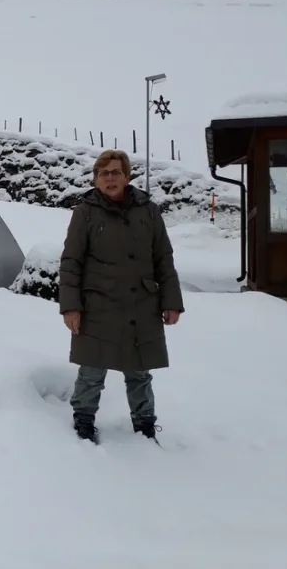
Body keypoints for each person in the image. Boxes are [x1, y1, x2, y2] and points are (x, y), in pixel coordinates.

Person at [58, 149, 184, 443]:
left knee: (139, 372)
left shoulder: (149, 211)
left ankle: (145, 425)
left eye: (116, 172)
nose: (110, 178)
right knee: (92, 370)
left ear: (127, 176)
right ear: (96, 179)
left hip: (141, 303)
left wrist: (171, 301)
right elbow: (71, 262)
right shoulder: (85, 212)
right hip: (97, 305)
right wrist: (70, 307)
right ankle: (84, 422)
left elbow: (163, 258)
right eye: (104, 173)